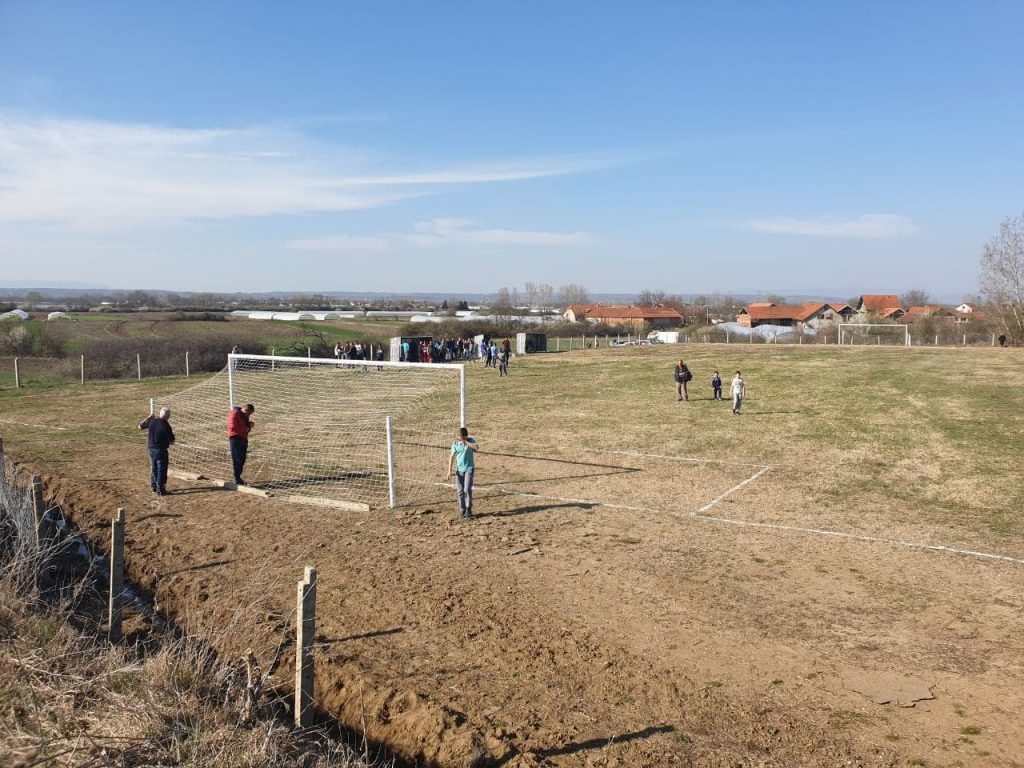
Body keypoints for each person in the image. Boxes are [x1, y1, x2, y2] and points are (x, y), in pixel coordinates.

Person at [139, 407, 175, 496]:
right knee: (161, 469)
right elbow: (172, 441)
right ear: (168, 416)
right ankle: (161, 490)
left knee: (154, 468)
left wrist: (149, 417)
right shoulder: (166, 425)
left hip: (151, 449)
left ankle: (154, 487)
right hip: (161, 450)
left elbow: (140, 426)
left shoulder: (152, 421)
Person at [446, 427, 478, 519]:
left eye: (464, 437)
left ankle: (468, 509)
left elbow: (476, 448)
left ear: (466, 436)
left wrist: (466, 442)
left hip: (469, 468)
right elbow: (451, 457)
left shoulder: (471, 440)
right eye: (461, 437)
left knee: (467, 489)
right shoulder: (455, 443)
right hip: (459, 470)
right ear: (458, 436)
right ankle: (462, 510)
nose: (462, 439)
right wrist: (449, 471)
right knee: (460, 491)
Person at [227, 403, 256, 485]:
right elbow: (233, 427)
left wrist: (249, 425)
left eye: (250, 414)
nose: (249, 415)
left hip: (243, 438)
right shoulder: (234, 414)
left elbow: (244, 426)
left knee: (242, 459)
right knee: (237, 459)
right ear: (245, 410)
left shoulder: (244, 415)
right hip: (235, 438)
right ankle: (236, 478)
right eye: (248, 413)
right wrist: (247, 428)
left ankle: (238, 477)